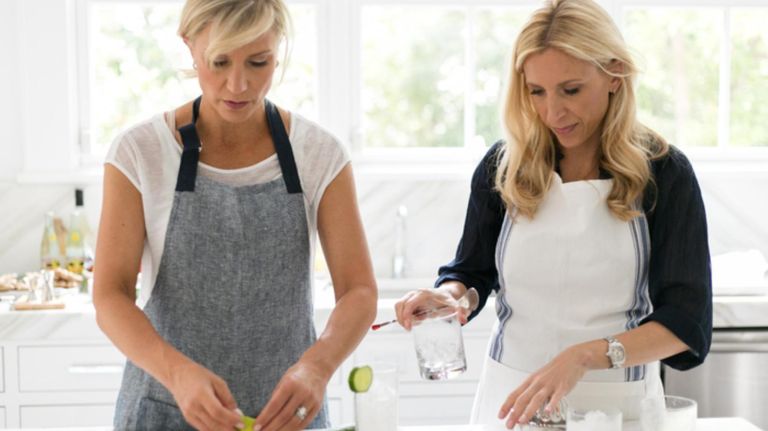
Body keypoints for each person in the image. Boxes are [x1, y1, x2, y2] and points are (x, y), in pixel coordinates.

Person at [395, 0, 712, 429]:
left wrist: (585, 355)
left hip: (615, 404)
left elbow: (686, 325)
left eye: (571, 89)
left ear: (615, 74)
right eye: (536, 91)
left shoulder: (663, 173)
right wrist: (451, 297)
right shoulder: (503, 167)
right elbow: (472, 272)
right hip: (511, 401)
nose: (552, 112)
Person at [93, 0, 377, 430]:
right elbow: (110, 295)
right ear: (189, 46)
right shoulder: (140, 153)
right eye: (219, 61)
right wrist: (178, 374)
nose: (238, 84)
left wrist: (318, 367)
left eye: (258, 62)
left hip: (285, 417)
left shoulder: (319, 154)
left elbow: (358, 290)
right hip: (161, 410)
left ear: (278, 48)